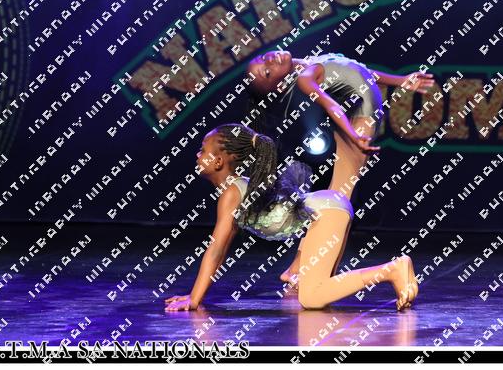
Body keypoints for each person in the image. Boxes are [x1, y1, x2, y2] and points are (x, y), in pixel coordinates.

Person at [164, 124, 418, 312]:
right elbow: (219, 253)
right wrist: (195, 296)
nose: (197, 155)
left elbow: (215, 251)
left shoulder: (231, 193)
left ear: (219, 161)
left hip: (325, 212)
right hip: (329, 207)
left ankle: (391, 270)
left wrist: (194, 299)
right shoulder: (239, 188)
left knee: (311, 298)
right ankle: (300, 272)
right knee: (319, 291)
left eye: (202, 150)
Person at [245, 50, 434, 286]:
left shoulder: (311, 62)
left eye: (262, 58)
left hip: (357, 122)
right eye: (267, 72)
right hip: (357, 123)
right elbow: (331, 104)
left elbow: (361, 72)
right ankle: (312, 273)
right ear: (281, 85)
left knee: (335, 204)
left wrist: (401, 81)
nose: (269, 60)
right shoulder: (305, 77)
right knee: (339, 209)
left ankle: (297, 270)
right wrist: (354, 135)